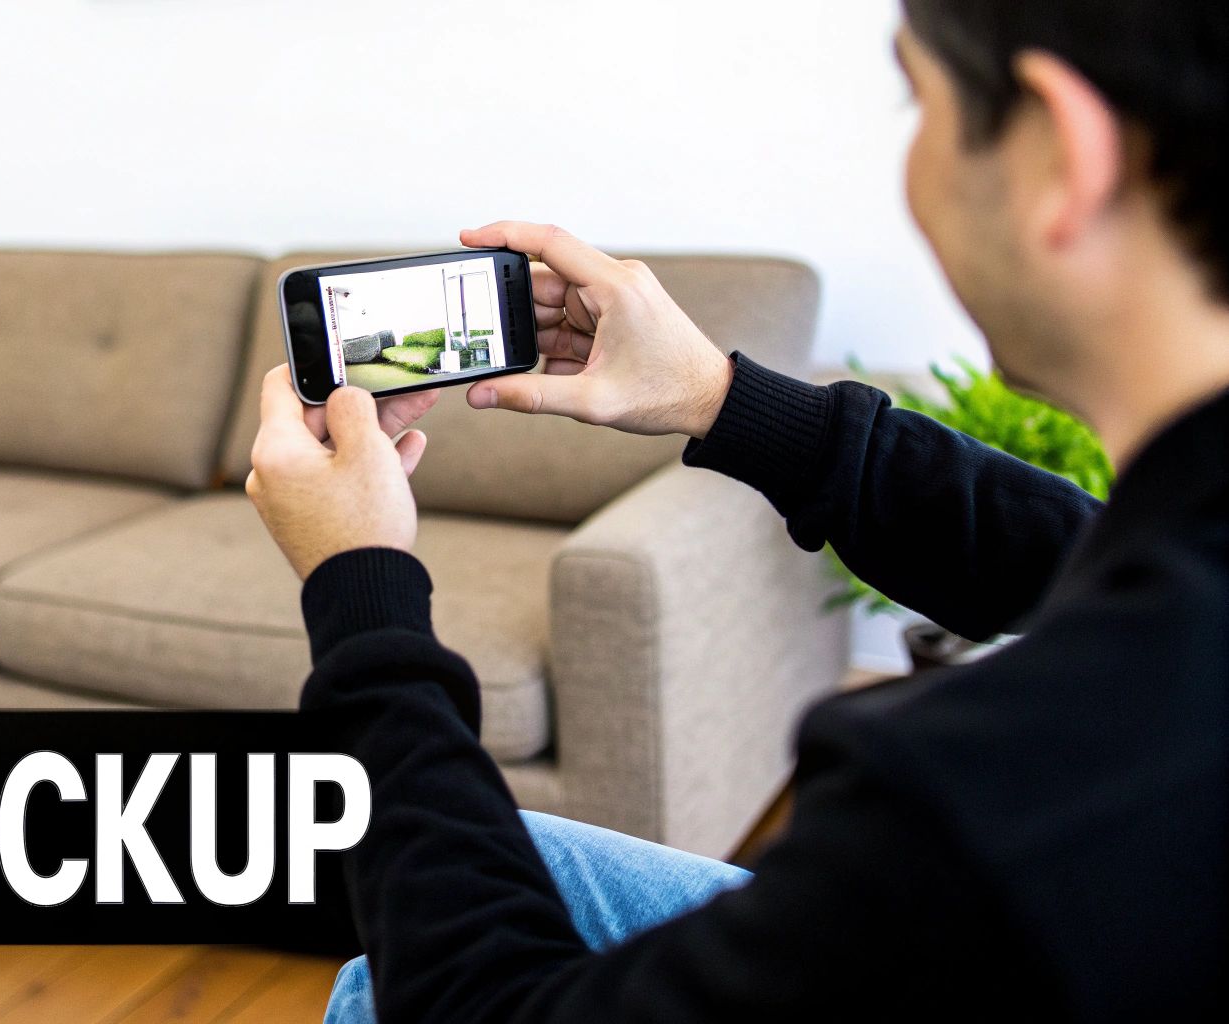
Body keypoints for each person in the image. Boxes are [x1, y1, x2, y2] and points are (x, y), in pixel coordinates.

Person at [245, 1, 1227, 1019]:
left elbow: (480, 1002)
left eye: (913, 97)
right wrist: (717, 395)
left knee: (409, 936)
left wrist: (357, 585)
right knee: (476, 863)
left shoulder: (977, 800)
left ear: (1062, 157)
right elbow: (1071, 550)